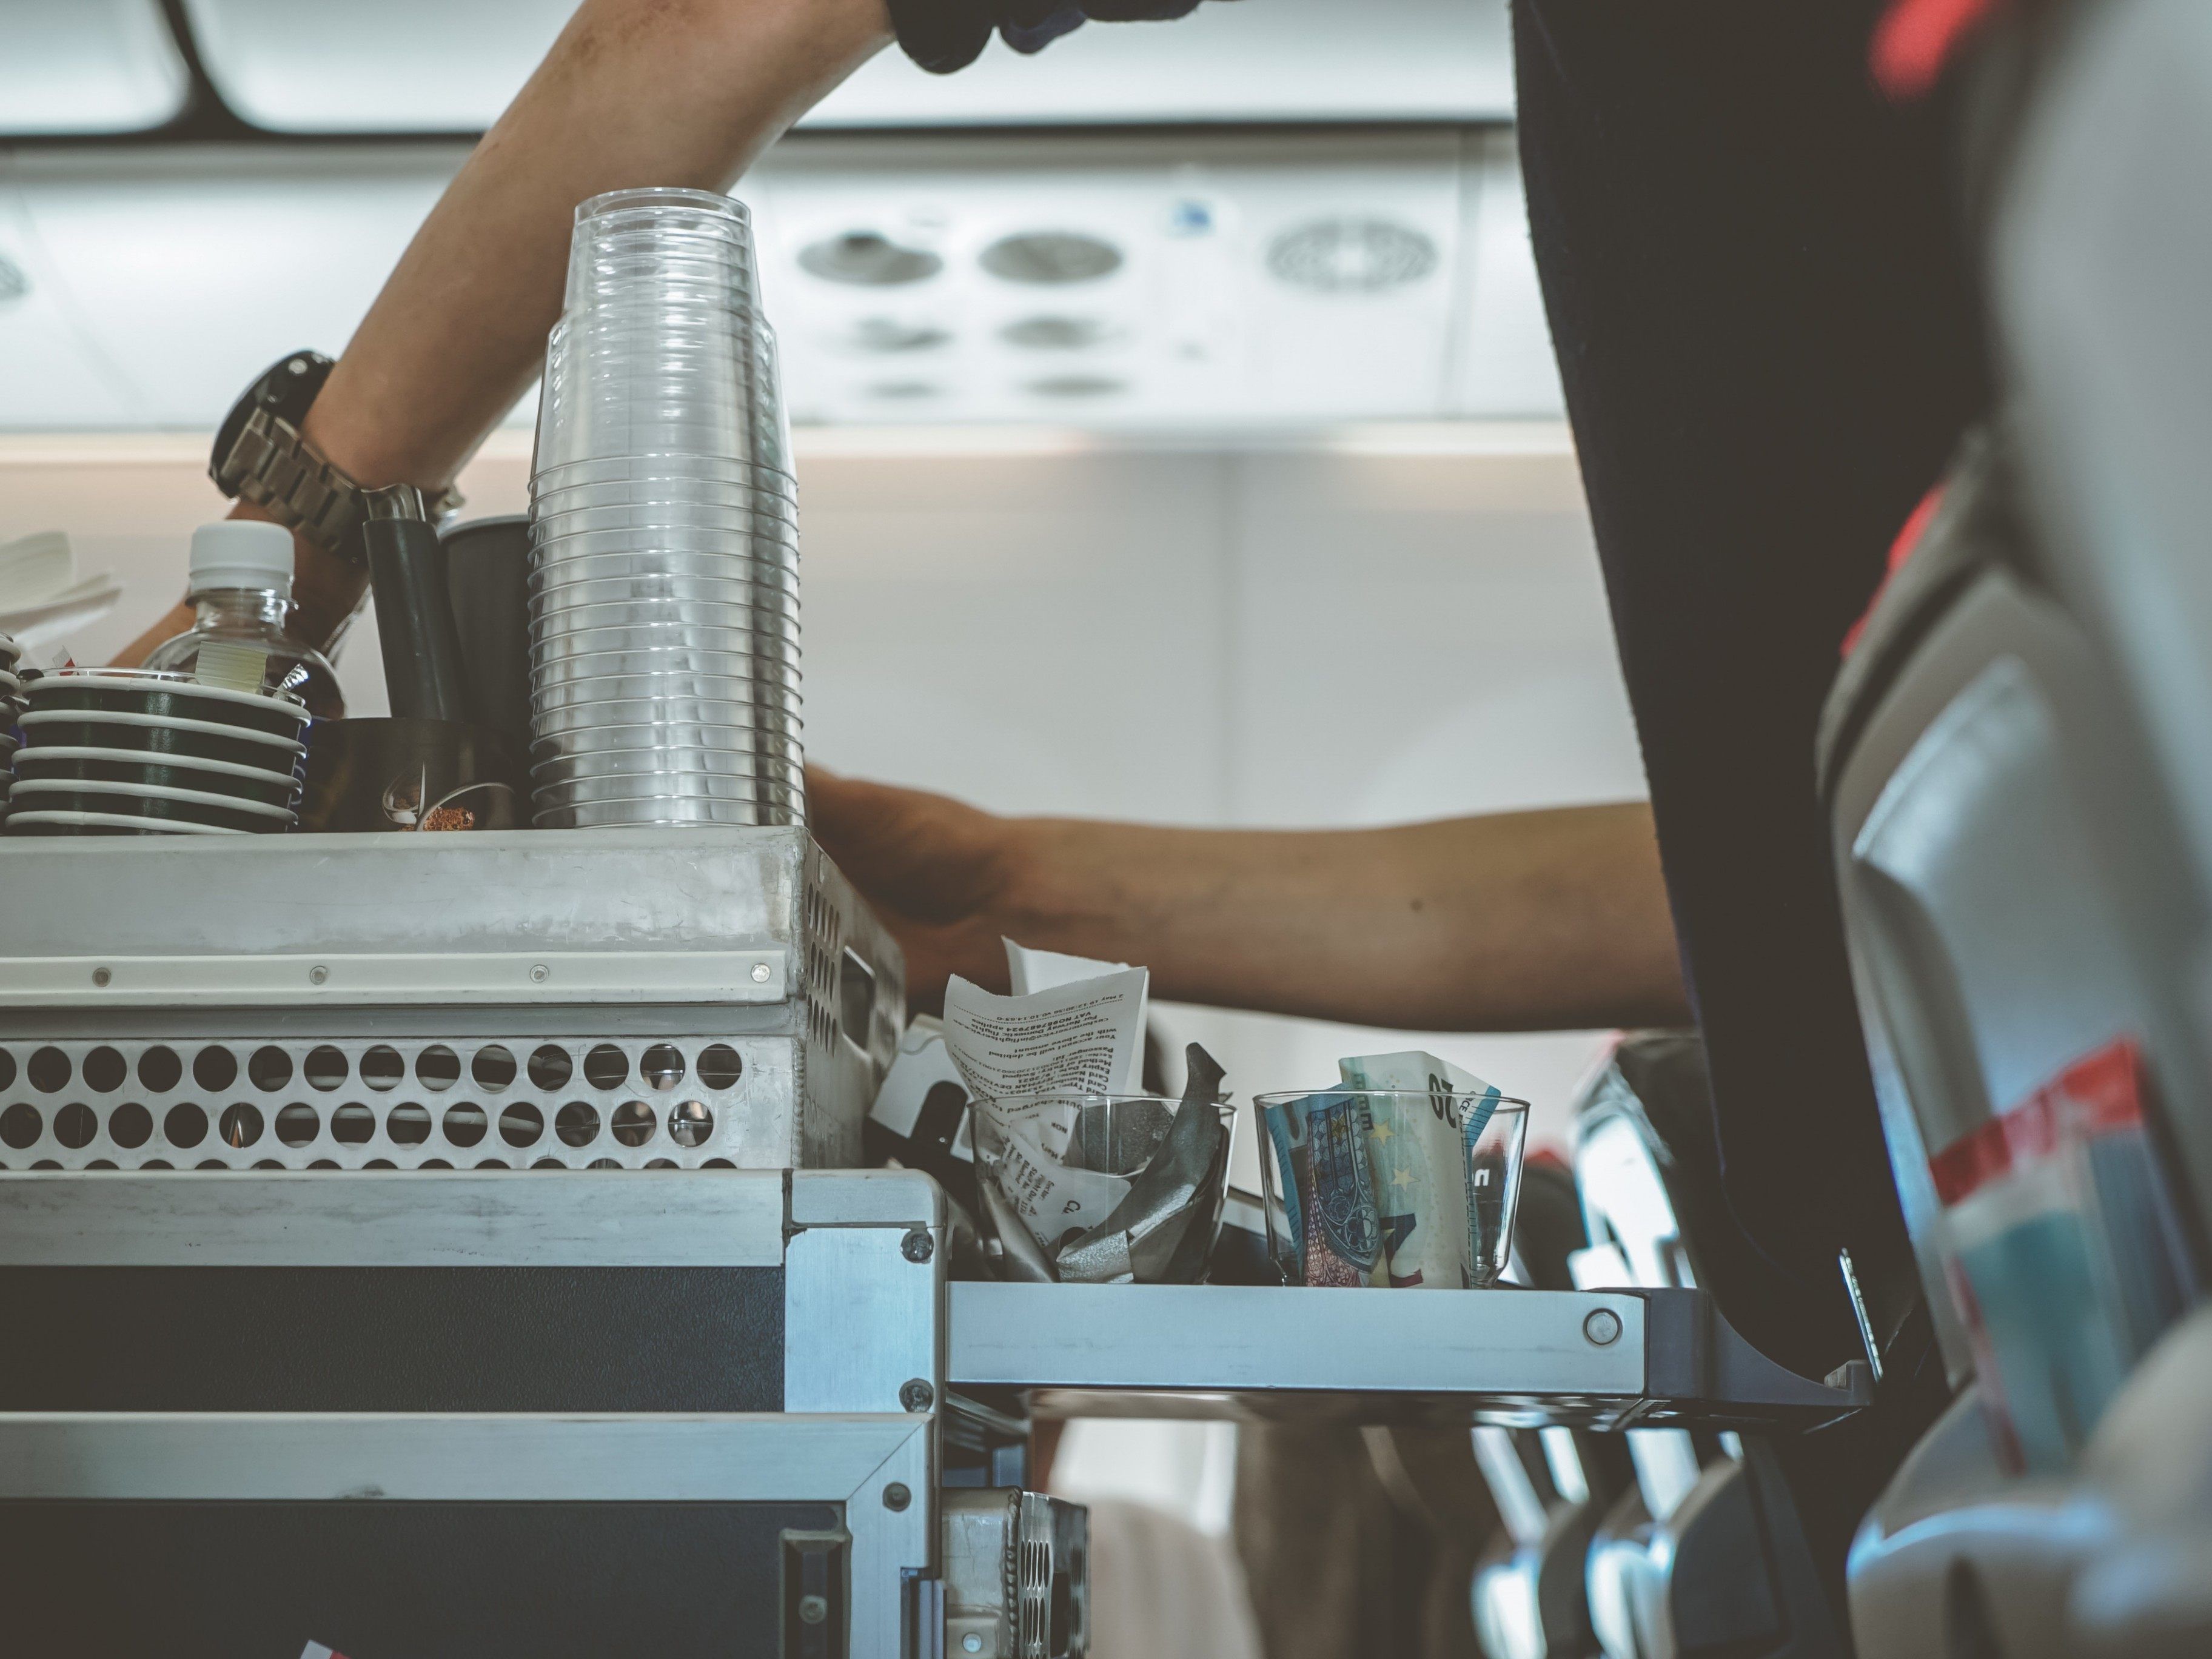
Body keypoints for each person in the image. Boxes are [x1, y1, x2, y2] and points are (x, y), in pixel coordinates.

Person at [121, 0, 1984, 1624]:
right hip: (1980, 1240)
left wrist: (261, 588)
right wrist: (1008, 878)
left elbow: (711, 17)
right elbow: (1783, 877)